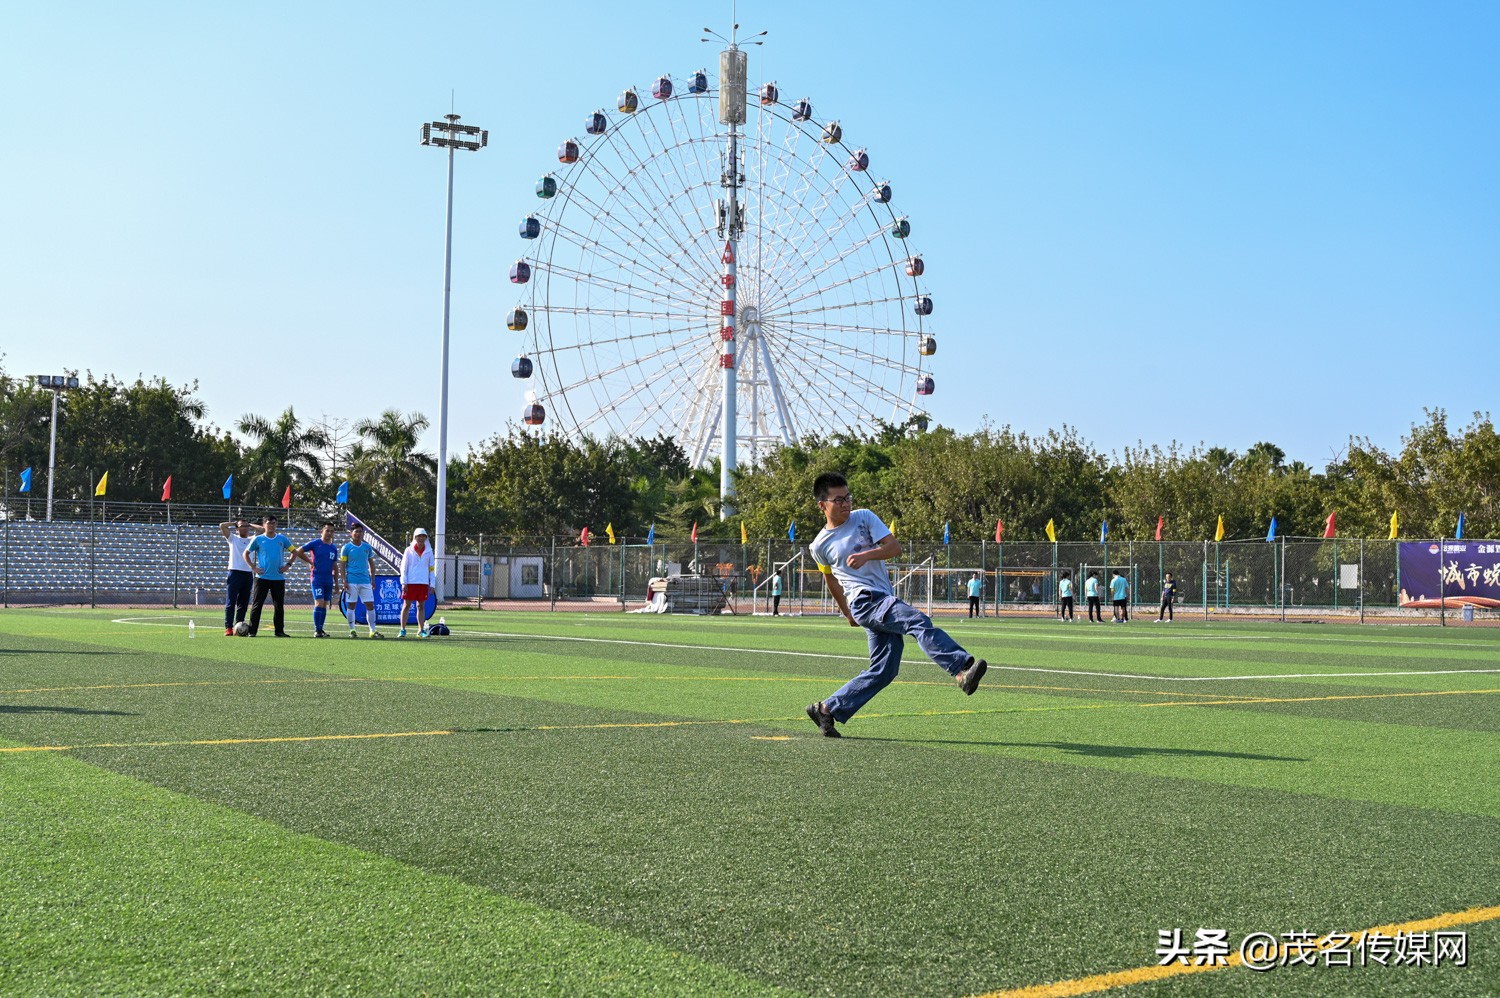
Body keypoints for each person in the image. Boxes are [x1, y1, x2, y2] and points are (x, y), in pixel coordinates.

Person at [804, 472, 987, 738]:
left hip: (881, 599)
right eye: (838, 500)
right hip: (865, 602)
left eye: (848, 497)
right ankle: (961, 670)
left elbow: (893, 548)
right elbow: (829, 578)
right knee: (917, 621)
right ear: (822, 505)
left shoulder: (863, 517)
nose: (846, 503)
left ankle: (827, 709)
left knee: (884, 670)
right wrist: (846, 612)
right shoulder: (819, 545)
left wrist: (867, 554)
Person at [244, 516, 296, 637]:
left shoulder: (282, 539)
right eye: (269, 523)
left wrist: (288, 565)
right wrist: (253, 567)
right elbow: (246, 553)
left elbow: (294, 551)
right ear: (264, 525)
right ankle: (252, 631)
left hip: (278, 578)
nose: (271, 525)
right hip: (262, 578)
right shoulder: (258, 539)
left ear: (276, 524)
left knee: (279, 606)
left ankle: (279, 631)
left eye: (273, 523)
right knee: (257, 605)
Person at [339, 522, 384, 638]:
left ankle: (372, 631)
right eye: (356, 531)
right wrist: (344, 580)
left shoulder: (367, 547)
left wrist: (373, 579)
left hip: (365, 581)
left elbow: (372, 564)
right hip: (351, 581)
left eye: (360, 531)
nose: (358, 534)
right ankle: (352, 630)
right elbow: (342, 565)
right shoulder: (346, 548)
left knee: (370, 605)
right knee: (351, 606)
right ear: (351, 533)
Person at [298, 521, 341, 638]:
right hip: (317, 578)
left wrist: (337, 583)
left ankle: (321, 629)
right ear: (322, 531)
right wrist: (309, 562)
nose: (329, 533)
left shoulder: (333, 548)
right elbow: (299, 551)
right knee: (319, 602)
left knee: (324, 604)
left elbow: (335, 566)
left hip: (328, 579)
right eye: (327, 530)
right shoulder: (316, 543)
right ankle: (317, 630)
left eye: (332, 531)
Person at [219, 518, 255, 635]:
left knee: (243, 603)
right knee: (231, 602)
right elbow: (222, 525)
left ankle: (238, 625)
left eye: (246, 526)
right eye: (242, 526)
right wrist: (234, 523)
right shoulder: (233, 538)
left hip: (247, 573)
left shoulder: (252, 539)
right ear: (237, 529)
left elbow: (262, 529)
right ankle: (228, 627)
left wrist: (250, 524)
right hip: (234, 572)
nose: (245, 528)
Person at [399, 527, 436, 637]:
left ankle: (420, 630)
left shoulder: (429, 551)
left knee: (421, 606)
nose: (421, 538)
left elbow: (431, 568)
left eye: (423, 536)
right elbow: (403, 567)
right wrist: (404, 582)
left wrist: (432, 584)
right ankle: (402, 630)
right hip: (410, 582)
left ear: (426, 538)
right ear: (415, 537)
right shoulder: (408, 550)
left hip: (423, 582)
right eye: (419, 536)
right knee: (406, 605)